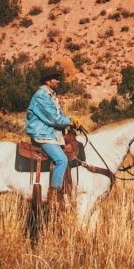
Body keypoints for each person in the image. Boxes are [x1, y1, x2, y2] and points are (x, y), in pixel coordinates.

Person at [24, 67, 83, 211]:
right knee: (61, 159)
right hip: (43, 135)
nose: (58, 81)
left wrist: (71, 123)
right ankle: (53, 194)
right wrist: (70, 120)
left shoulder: (50, 95)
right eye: (56, 78)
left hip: (51, 134)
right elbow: (53, 118)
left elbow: (58, 116)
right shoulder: (41, 96)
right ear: (48, 81)